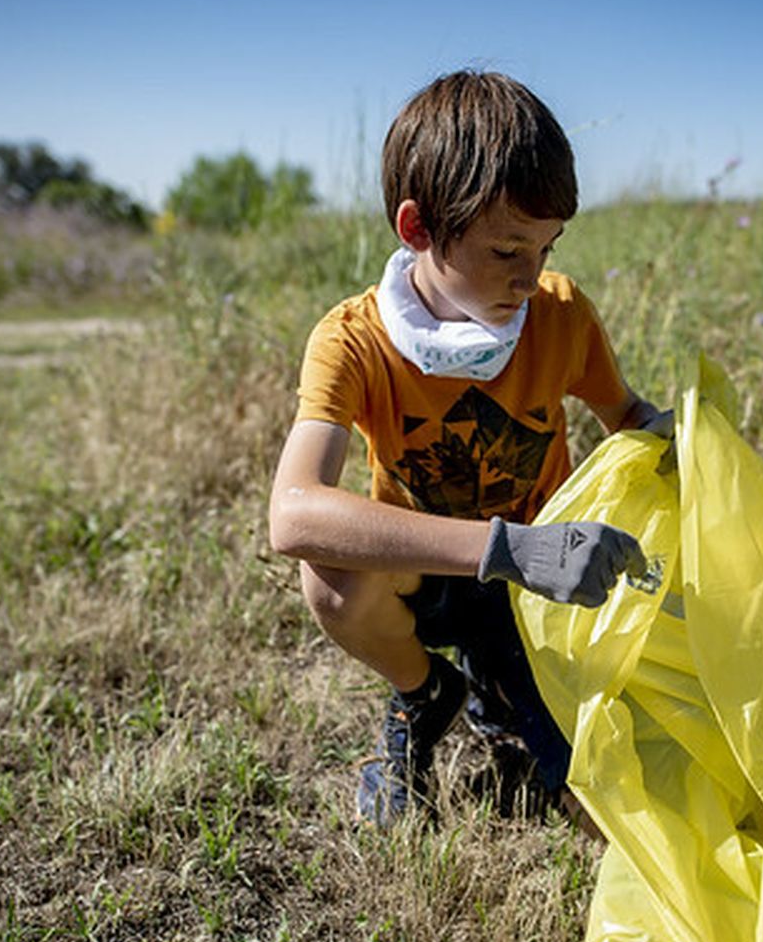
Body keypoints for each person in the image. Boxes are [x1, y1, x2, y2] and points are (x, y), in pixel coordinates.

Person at [268, 70, 671, 828]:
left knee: (600, 805)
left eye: (547, 247)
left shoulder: (560, 314)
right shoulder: (354, 341)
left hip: (546, 588)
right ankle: (425, 692)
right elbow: (293, 516)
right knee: (334, 582)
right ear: (417, 228)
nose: (530, 276)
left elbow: (625, 415)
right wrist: (508, 547)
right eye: (507, 248)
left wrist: (675, 438)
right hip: (442, 578)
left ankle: (506, 694)